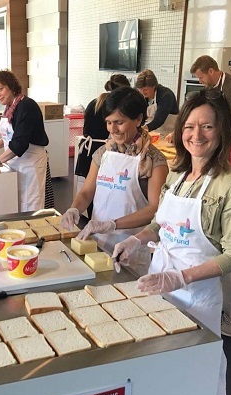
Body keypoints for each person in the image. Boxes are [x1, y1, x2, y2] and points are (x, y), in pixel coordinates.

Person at [113, 88, 231, 395]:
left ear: (222, 131)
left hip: (197, 297)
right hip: (158, 285)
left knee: (193, 376)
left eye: (207, 126)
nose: (197, 135)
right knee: (155, 369)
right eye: (190, 126)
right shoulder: (177, 174)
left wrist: (182, 277)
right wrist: (137, 240)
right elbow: (161, 224)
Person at [62, 86, 169, 275]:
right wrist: (74, 208)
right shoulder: (104, 152)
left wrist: (112, 224)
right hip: (95, 242)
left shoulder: (153, 160)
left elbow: (154, 209)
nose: (113, 130)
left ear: (138, 119)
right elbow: (87, 192)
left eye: (119, 122)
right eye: (109, 122)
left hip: (129, 247)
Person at [0, 70, 50, 212]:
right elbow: (12, 133)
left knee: (30, 205)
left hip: (30, 163)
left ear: (11, 86)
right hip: (15, 162)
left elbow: (20, 142)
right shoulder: (11, 107)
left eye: (0, 89)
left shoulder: (26, 106)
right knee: (16, 202)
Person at [75, 74, 130, 217]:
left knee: (93, 186)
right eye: (110, 123)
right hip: (101, 148)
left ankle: (92, 216)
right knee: (97, 188)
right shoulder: (111, 106)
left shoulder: (96, 101)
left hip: (87, 148)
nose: (113, 128)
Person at [134, 69, 178, 133]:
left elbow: (158, 120)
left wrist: (141, 131)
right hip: (153, 131)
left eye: (145, 89)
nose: (142, 92)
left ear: (154, 86)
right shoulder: (142, 95)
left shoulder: (166, 95)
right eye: (140, 89)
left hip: (168, 132)